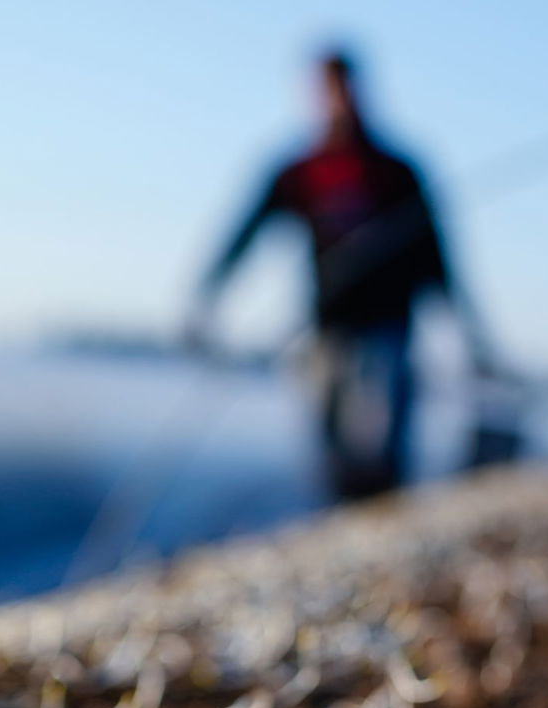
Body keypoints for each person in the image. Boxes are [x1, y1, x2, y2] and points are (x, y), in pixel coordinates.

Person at [189, 47, 489, 498]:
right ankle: (338, 517)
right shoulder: (300, 170)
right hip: (327, 325)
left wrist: (465, 327)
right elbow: (247, 230)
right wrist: (211, 288)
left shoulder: (397, 170)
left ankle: (389, 518)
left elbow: (436, 255)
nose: (338, 98)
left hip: (388, 325)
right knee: (330, 448)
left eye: (344, 87)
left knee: (385, 441)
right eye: (327, 89)